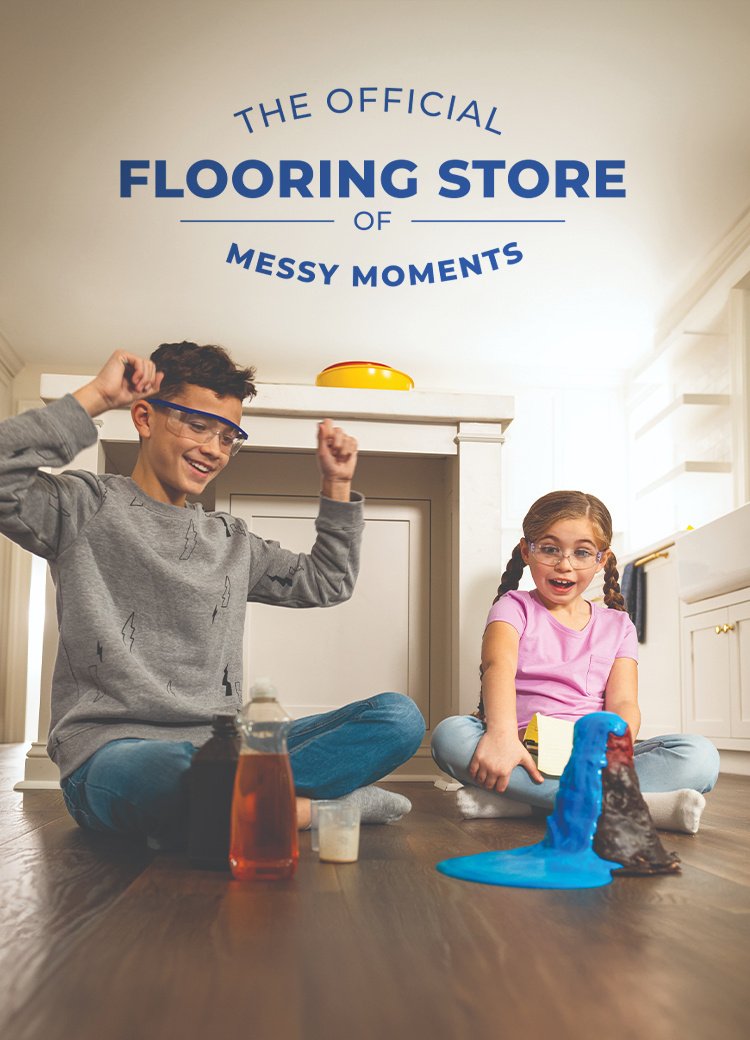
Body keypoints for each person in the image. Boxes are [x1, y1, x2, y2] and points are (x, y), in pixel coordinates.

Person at [0, 342, 425, 848]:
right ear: (143, 417)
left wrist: (336, 484)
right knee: (169, 770)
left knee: (399, 718)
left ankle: (238, 805)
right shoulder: (82, 506)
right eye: (197, 426)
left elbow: (327, 582)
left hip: (228, 750)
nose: (214, 449)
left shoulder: (232, 540)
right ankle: (310, 811)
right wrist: (96, 395)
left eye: (228, 437)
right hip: (115, 754)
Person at [431, 490, 719, 834]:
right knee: (449, 735)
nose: (564, 564)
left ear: (601, 560)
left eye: (581, 553)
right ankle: (637, 806)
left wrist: (612, 750)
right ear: (527, 551)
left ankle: (527, 803)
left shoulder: (618, 625)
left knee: (701, 756)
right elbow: (499, 669)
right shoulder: (513, 607)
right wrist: (503, 736)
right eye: (550, 549)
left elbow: (624, 703)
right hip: (520, 752)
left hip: (590, 759)